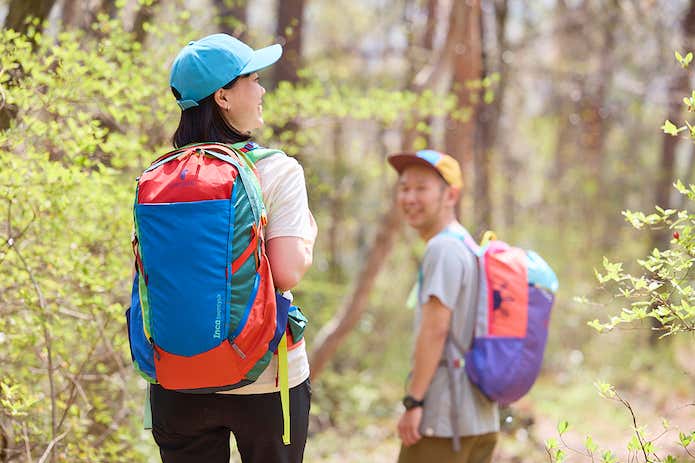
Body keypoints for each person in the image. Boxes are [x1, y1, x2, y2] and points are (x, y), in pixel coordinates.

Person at [149, 33, 317, 463]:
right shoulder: (277, 168)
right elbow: (286, 272)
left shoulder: (159, 177)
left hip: (177, 373)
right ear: (222, 95)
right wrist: (308, 238)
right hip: (263, 372)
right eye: (254, 80)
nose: (261, 91)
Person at [388, 150, 499, 463]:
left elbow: (435, 330)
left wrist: (414, 402)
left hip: (443, 420)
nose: (409, 197)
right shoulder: (467, 245)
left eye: (421, 188)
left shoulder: (443, 248)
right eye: (404, 187)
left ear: (450, 195)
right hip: (479, 418)